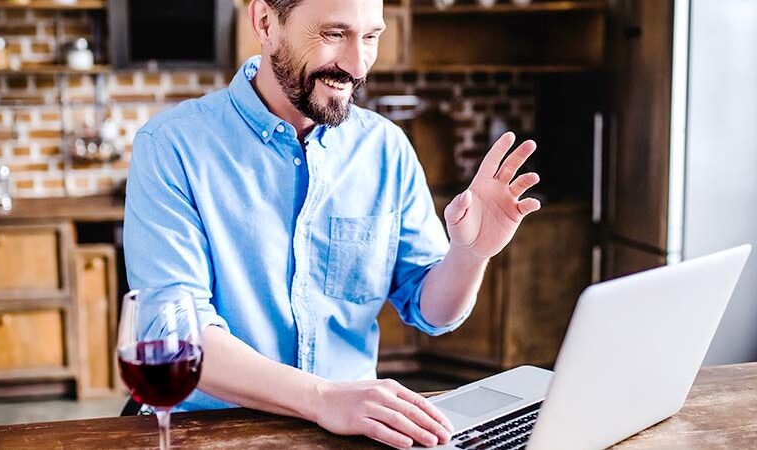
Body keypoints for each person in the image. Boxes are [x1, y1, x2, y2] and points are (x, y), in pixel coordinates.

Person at [123, 0, 541, 447]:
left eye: (370, 37)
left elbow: (432, 311)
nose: (357, 65)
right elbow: (177, 337)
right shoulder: (172, 146)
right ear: (266, 22)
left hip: (355, 433)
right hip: (214, 433)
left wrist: (471, 253)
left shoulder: (385, 147)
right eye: (333, 35)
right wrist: (323, 398)